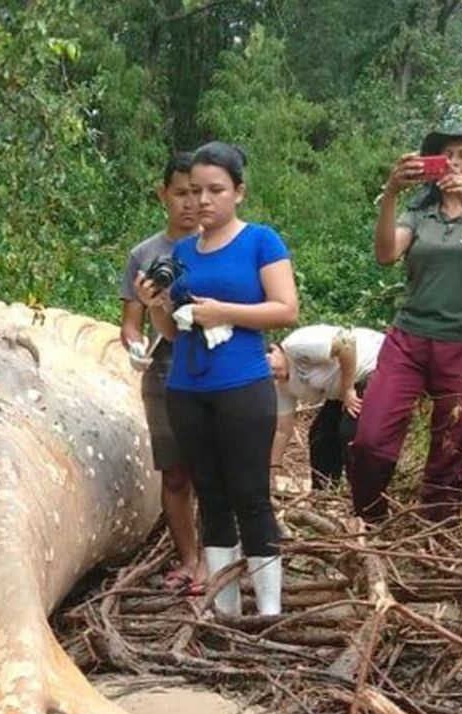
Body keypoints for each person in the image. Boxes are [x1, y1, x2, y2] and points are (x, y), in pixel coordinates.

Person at [137, 142, 298, 616]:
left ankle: (269, 609)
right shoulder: (184, 251)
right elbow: (170, 331)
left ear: (238, 192)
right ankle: (225, 605)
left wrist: (221, 311)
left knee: (250, 493)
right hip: (187, 387)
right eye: (194, 191)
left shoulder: (260, 241)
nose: (203, 200)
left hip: (243, 384)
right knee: (210, 494)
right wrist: (158, 305)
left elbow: (285, 309)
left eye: (215, 190)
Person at [349, 122, 462, 522]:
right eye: (447, 155)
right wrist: (392, 192)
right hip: (409, 340)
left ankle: (434, 535)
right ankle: (369, 520)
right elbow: (385, 255)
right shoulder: (419, 214)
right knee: (371, 439)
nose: (454, 163)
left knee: (450, 448)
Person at [121, 153, 204, 593]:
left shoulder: (220, 244)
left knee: (214, 469)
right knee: (174, 473)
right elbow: (131, 323)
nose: (190, 203)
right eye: (181, 193)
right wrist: (135, 347)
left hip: (213, 367)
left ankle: (218, 559)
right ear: (163, 194)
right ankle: (189, 560)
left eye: (198, 192)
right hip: (165, 369)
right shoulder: (145, 254)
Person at [266, 325, 385, 490]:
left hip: (372, 366)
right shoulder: (280, 385)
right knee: (320, 435)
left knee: (350, 431)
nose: (271, 372)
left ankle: (362, 492)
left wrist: (349, 388)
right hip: (341, 389)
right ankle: (325, 489)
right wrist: (274, 467)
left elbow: (346, 343)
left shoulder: (296, 347)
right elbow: (282, 429)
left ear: (275, 349)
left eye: (269, 363)